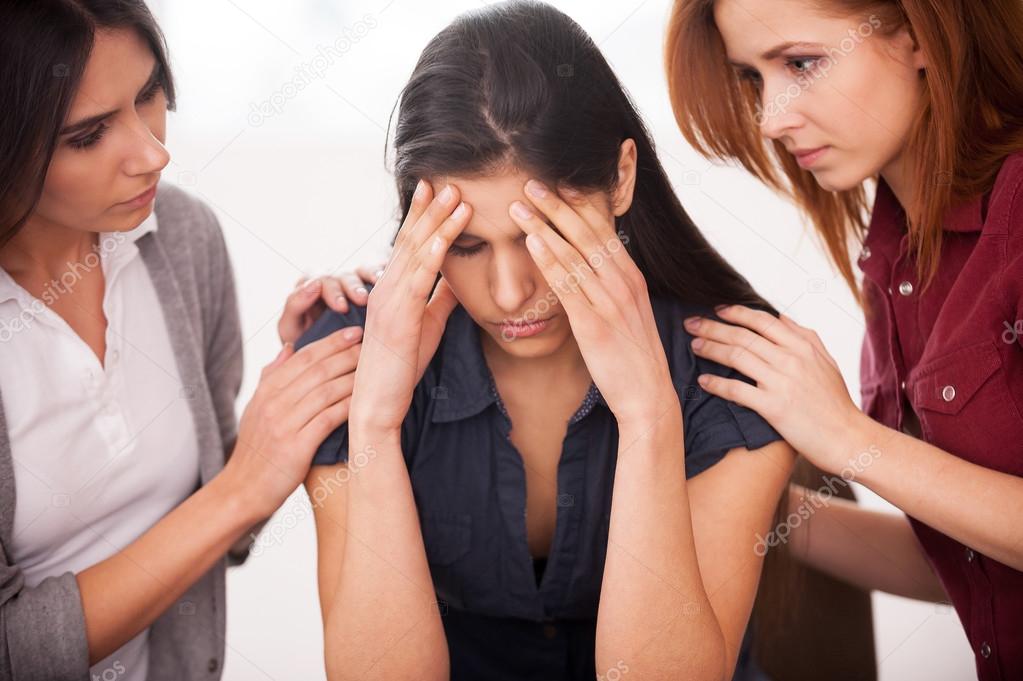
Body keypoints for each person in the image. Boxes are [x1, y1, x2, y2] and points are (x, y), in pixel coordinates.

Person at [299, 3, 801, 679]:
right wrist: (375, 422)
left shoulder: (731, 363)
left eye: (543, 236)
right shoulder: (348, 356)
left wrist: (649, 416)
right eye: (465, 244)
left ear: (620, 177)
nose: (508, 292)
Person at [0, 2, 364, 678]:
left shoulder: (182, 237)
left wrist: (295, 385)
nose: (153, 153)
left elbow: (219, 526)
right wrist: (243, 489)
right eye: (88, 135)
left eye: (148, 95)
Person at [666, 0, 1023, 678]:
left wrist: (845, 438)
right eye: (752, 79)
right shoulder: (895, 260)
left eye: (800, 63)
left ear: (918, 34)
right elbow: (964, 558)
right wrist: (748, 504)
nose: (770, 119)